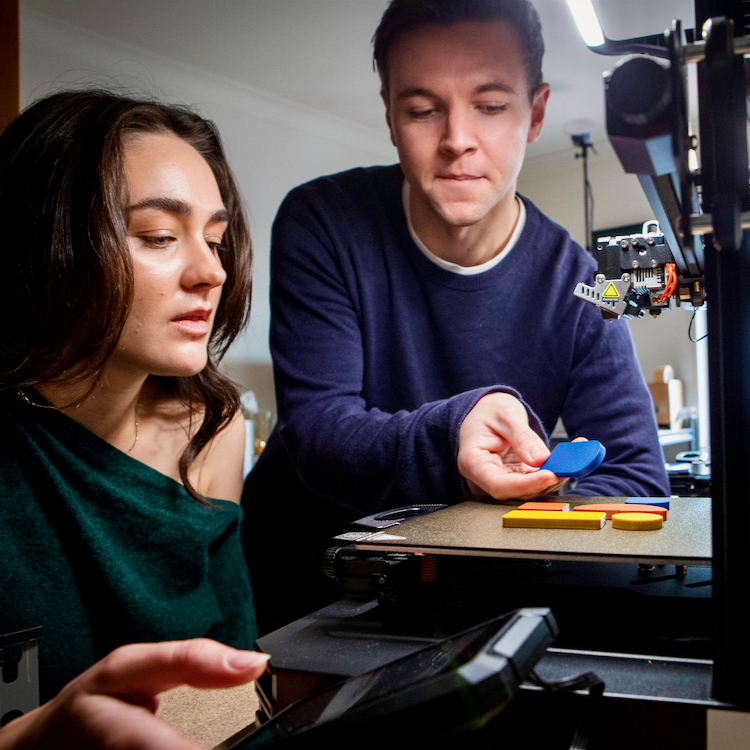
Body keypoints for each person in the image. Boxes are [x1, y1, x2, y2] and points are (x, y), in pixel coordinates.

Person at [243, 0, 670, 635]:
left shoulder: (588, 284)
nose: (457, 140)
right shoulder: (321, 221)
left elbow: (638, 479)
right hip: (311, 581)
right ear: (390, 114)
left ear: (537, 113)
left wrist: (529, 482)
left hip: (468, 594)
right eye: (421, 109)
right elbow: (320, 430)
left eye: (491, 106)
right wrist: (454, 439)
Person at [0, 90, 262, 746]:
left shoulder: (214, 432)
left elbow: (233, 687)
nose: (210, 272)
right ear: (49, 240)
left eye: (216, 239)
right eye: (160, 237)